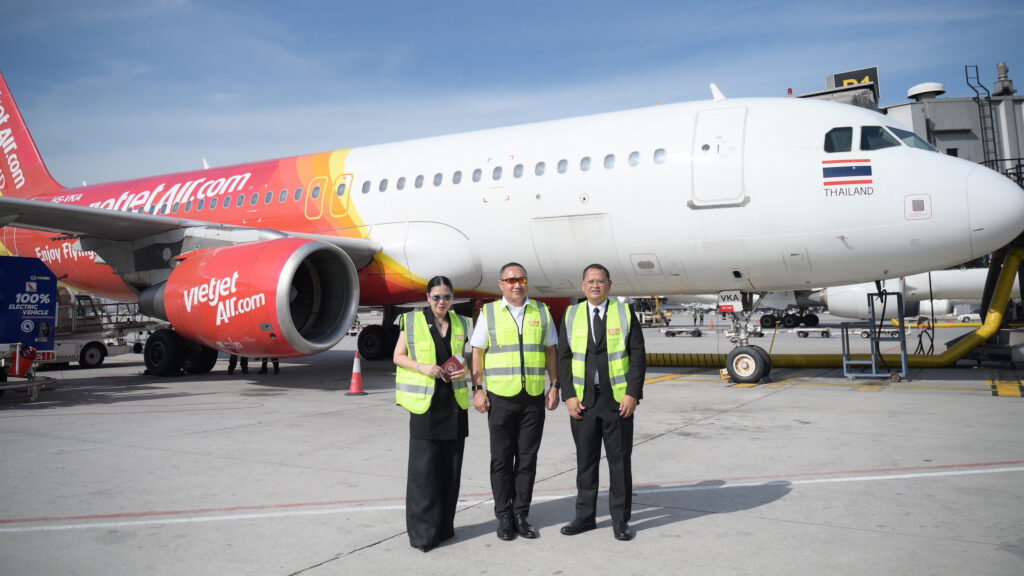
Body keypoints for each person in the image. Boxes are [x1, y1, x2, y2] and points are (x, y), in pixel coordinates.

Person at [471, 262, 560, 541]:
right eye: (510, 280)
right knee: (501, 459)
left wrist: (554, 385)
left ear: (527, 282)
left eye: (521, 279)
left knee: (527, 459)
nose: (516, 284)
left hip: (532, 397)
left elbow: (550, 350)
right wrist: (478, 389)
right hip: (500, 398)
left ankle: (521, 513)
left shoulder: (541, 311)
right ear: (501, 284)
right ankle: (504, 515)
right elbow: (477, 352)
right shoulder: (489, 313)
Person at [557, 263, 645, 541]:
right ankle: (585, 517)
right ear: (583, 286)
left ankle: (620, 520)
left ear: (609, 284)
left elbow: (637, 354)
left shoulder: (625, 311)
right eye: (591, 281)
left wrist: (632, 393)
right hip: (583, 401)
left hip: (618, 400)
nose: (595, 285)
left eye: (601, 281)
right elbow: (563, 357)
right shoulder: (572, 314)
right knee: (585, 462)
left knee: (619, 463)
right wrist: (569, 395)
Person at [393, 276, 472, 552]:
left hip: (454, 405)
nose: (442, 302)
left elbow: (464, 357)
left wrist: (465, 369)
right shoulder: (411, 321)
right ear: (428, 297)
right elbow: (398, 356)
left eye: (447, 297)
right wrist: (422, 367)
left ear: (453, 298)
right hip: (426, 406)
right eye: (437, 297)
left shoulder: (461, 323)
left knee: (450, 472)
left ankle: (444, 529)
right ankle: (423, 535)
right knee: (424, 474)